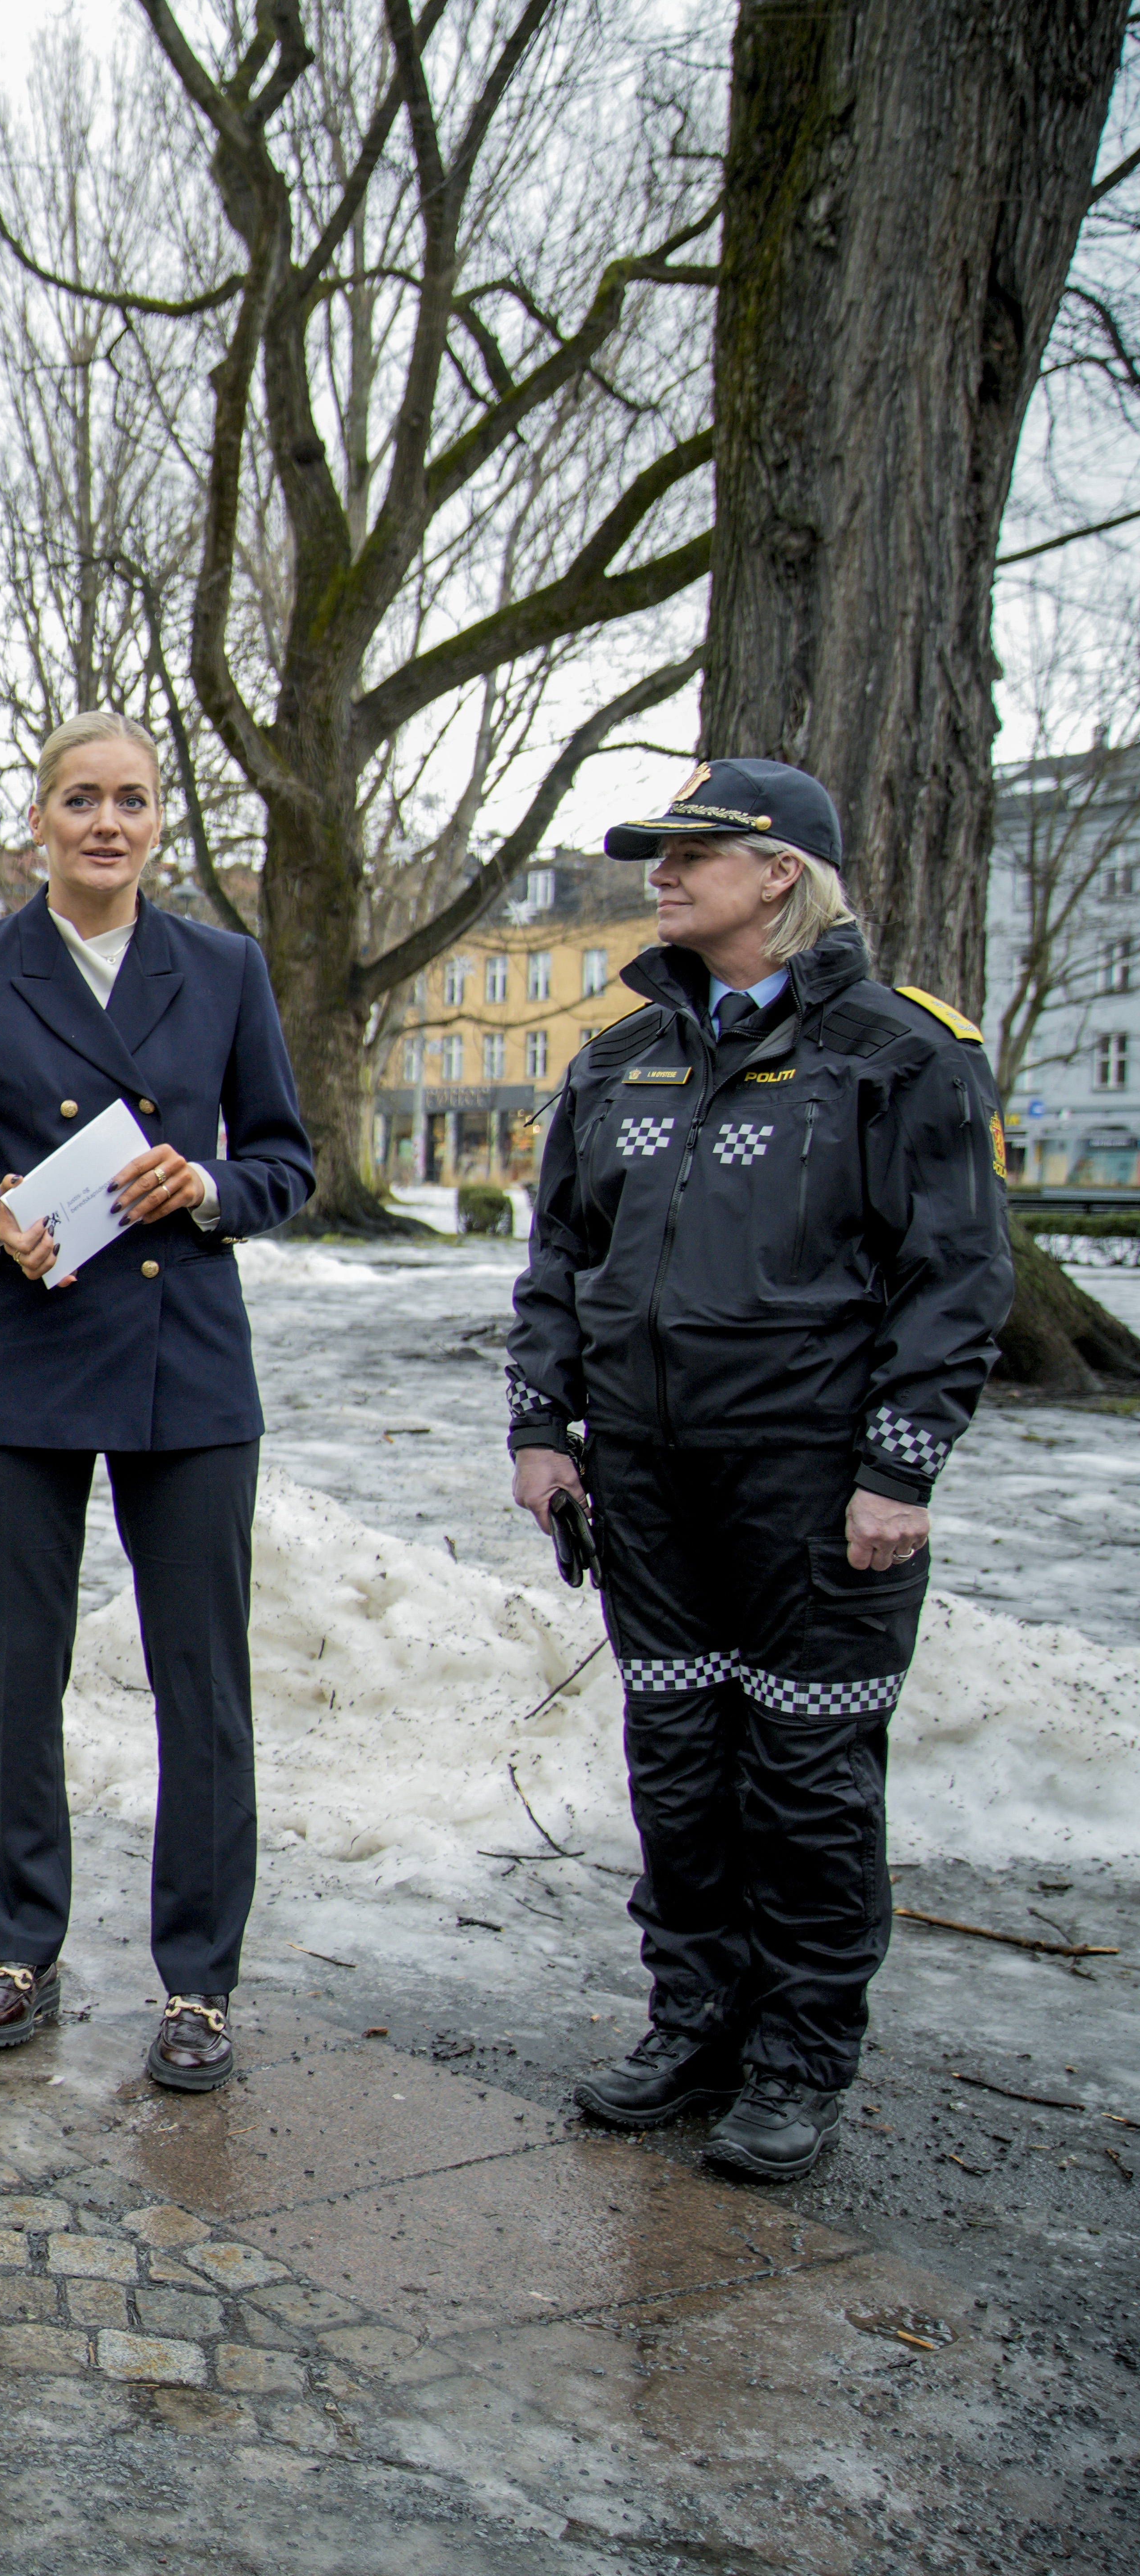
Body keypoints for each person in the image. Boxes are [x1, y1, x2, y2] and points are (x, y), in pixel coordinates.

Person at [506, 758, 1010, 2184]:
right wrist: (544, 1428)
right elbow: (561, 1261)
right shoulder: (618, 1058)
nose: (661, 873)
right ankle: (696, 2022)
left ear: (781, 871)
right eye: (657, 854)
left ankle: (797, 2059)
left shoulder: (901, 1053)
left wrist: (899, 1471)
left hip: (814, 1489)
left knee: (807, 1779)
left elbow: (957, 1281)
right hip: (649, 1484)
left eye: (693, 851)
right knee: (678, 1764)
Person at [0, 710, 315, 2092]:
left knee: (203, 1684)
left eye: (130, 801)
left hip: (188, 1365)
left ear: (160, 823)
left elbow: (290, 1161)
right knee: (19, 1674)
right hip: (23, 1359)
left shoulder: (224, 969)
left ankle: (200, 1984)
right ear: (39, 825)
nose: (105, 823)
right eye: (80, 800)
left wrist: (215, 1189)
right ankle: (18, 1952)